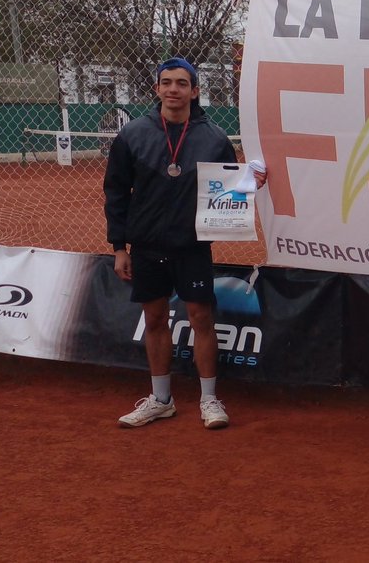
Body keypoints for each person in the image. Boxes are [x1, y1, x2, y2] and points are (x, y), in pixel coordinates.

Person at [103, 57, 265, 430]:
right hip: (146, 247)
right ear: (157, 89)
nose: (173, 89)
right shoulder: (133, 135)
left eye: (181, 83)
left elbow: (227, 187)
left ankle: (209, 400)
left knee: (201, 319)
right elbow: (116, 193)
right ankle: (161, 400)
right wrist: (119, 247)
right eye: (166, 82)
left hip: (192, 247)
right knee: (155, 319)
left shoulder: (213, 138)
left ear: (195, 91)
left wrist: (252, 183)